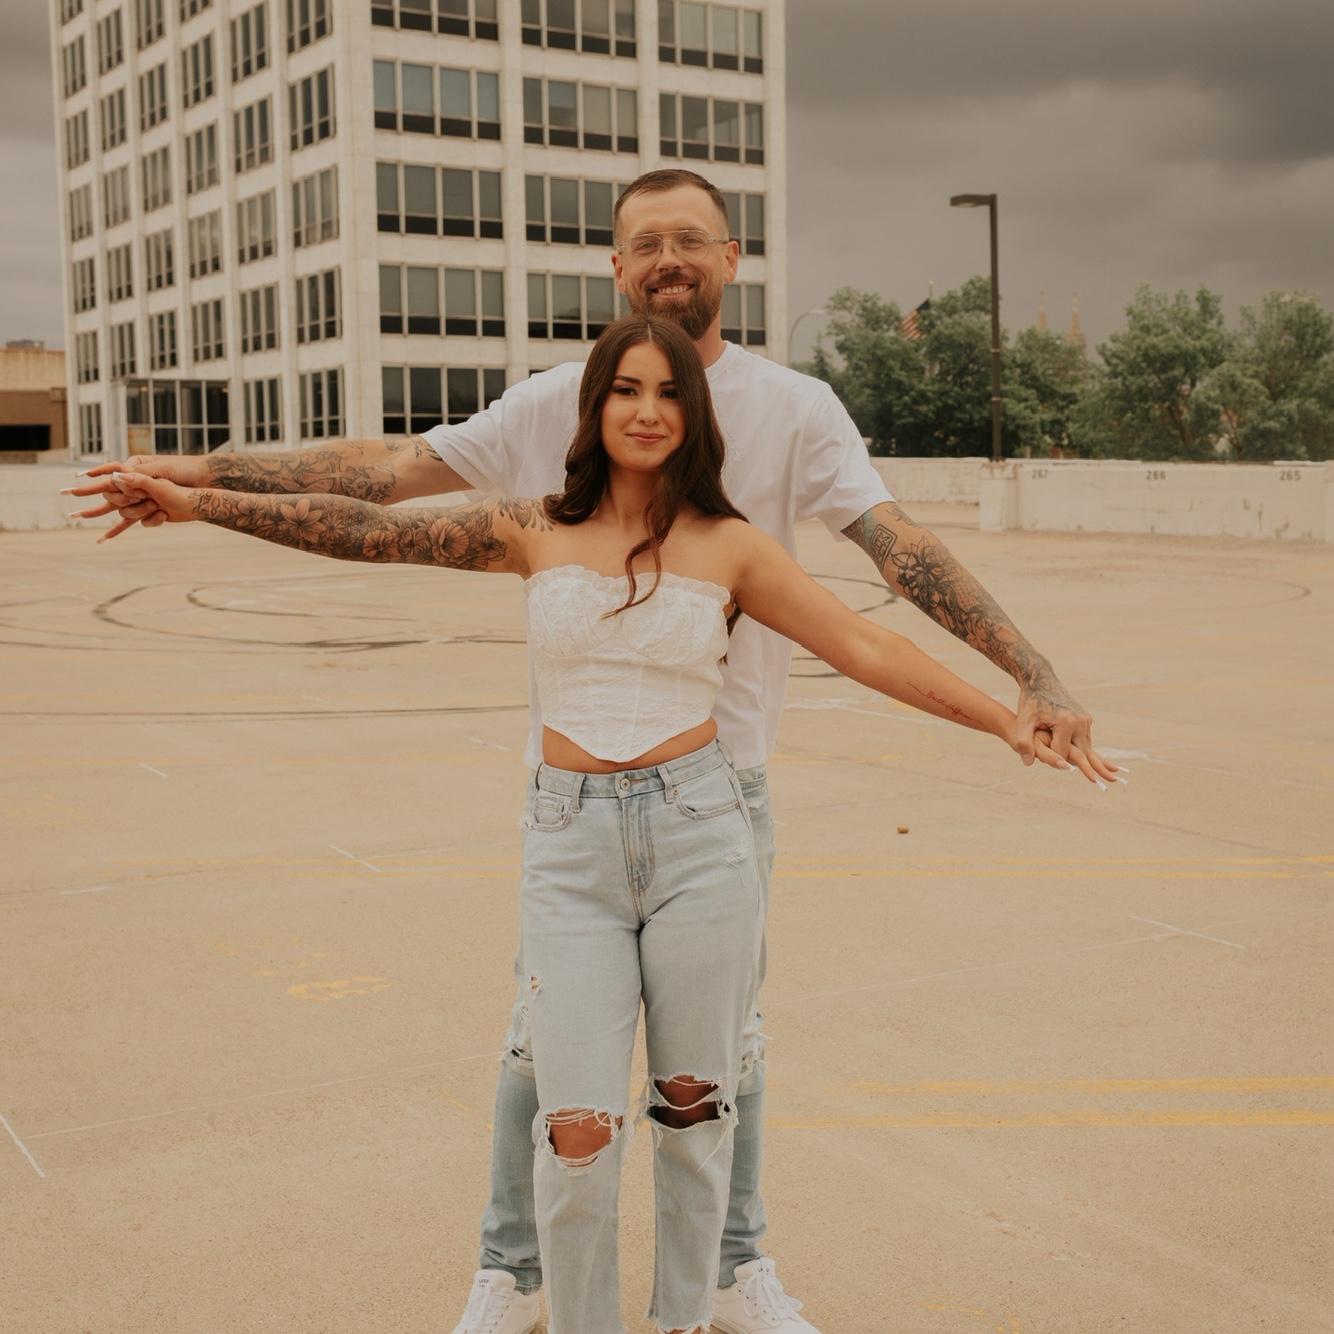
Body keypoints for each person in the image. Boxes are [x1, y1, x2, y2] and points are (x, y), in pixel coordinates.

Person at [70, 169, 1119, 1333]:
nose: (669, 263)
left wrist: (1023, 684)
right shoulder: (539, 484)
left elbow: (886, 580)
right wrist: (203, 480)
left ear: (730, 258)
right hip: (568, 811)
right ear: (614, 277)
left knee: (716, 1070)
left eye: (691, 240)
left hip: (719, 796)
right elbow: (377, 499)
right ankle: (515, 1271)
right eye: (645, 246)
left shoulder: (776, 447)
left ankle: (725, 1275)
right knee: (548, 1066)